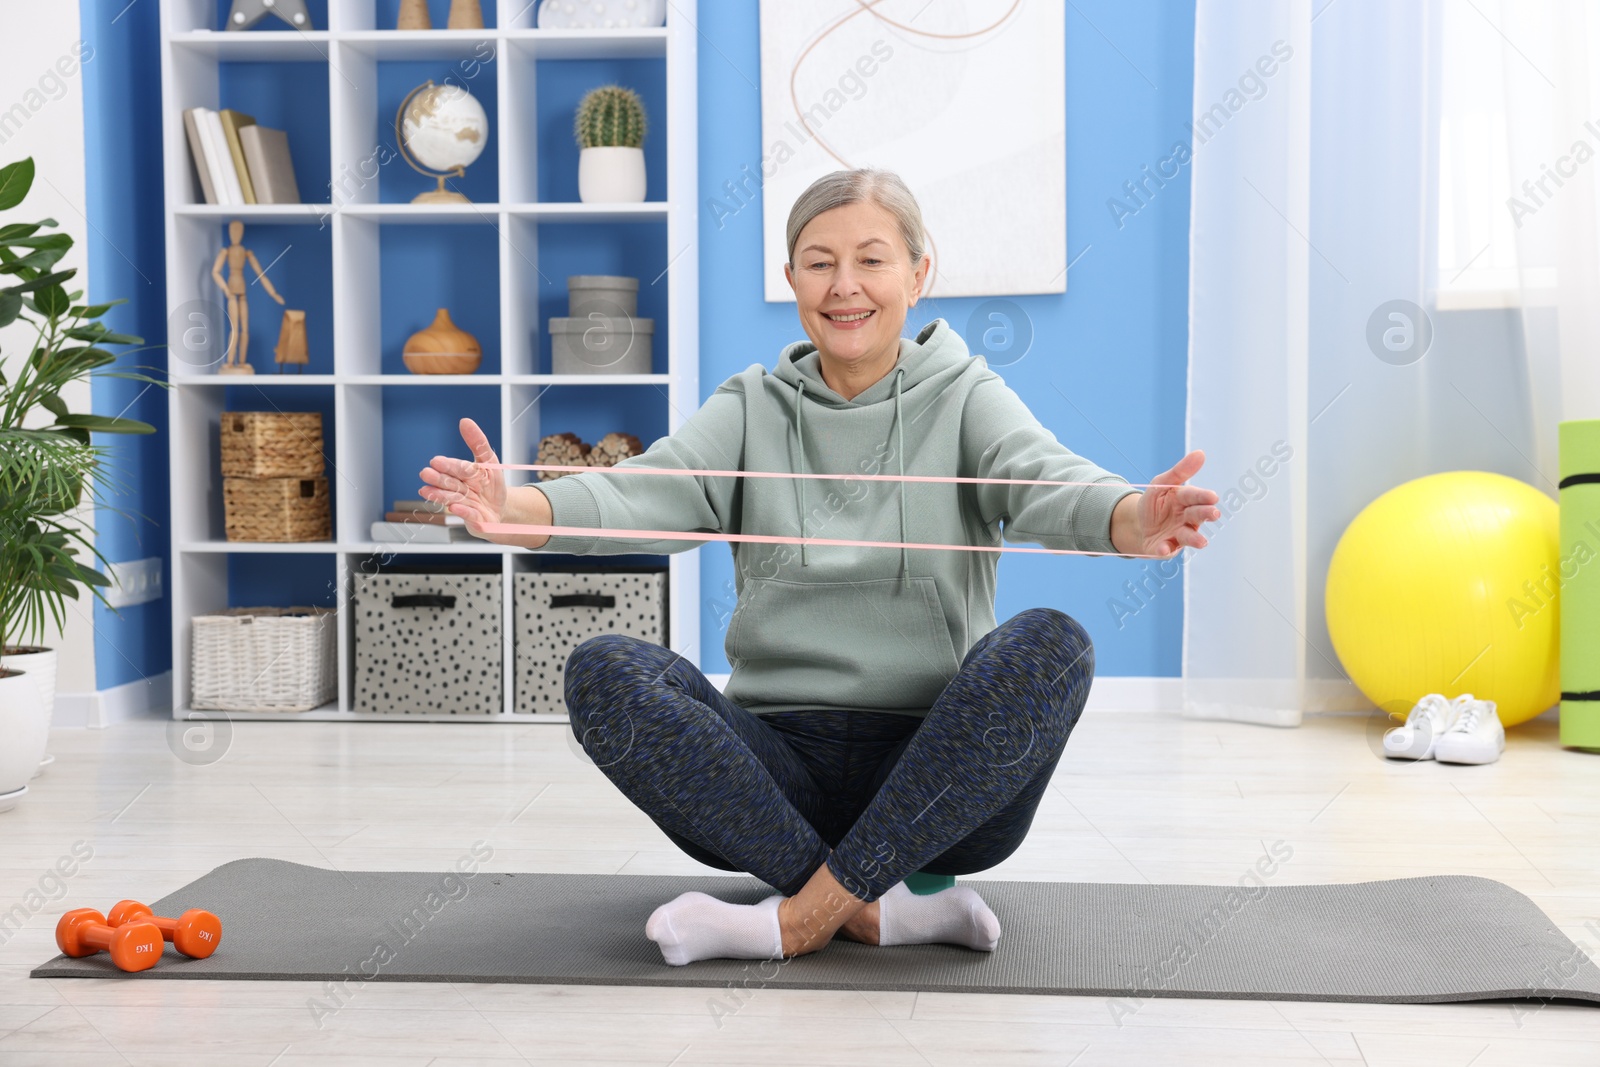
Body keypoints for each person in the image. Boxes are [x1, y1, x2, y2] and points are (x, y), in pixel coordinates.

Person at [420, 168, 1221, 966]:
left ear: (919, 272)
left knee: (1056, 641)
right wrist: (516, 508)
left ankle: (795, 919)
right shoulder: (752, 404)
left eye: (872, 259)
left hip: (939, 780)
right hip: (771, 779)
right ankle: (880, 911)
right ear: (791, 277)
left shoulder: (966, 394)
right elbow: (648, 491)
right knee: (603, 667)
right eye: (819, 261)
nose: (845, 286)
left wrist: (1130, 514)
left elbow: (1047, 480)